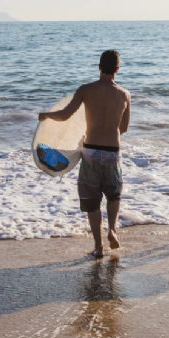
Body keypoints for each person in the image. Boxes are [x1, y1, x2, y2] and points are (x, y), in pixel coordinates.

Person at [38, 50, 131, 258]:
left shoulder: (86, 90)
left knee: (92, 200)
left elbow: (65, 115)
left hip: (90, 151)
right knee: (113, 194)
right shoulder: (124, 94)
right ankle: (113, 230)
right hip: (112, 153)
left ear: (99, 66)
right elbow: (123, 128)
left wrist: (46, 115)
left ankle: (98, 247)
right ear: (117, 69)